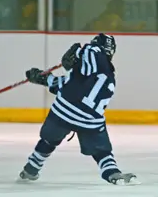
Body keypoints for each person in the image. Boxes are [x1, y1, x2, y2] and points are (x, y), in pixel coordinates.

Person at [19, 33, 140, 185]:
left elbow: (70, 85)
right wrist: (46, 78)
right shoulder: (109, 75)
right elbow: (75, 85)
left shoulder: (90, 51)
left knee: (49, 140)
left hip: (63, 111)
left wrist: (46, 77)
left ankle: (31, 168)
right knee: (101, 151)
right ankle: (112, 172)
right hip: (89, 119)